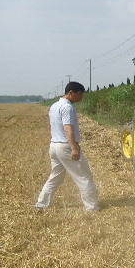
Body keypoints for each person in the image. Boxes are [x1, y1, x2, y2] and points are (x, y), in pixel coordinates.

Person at [35, 81, 99, 212]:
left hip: (54, 146)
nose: (81, 97)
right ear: (71, 93)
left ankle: (41, 203)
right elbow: (67, 128)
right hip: (65, 147)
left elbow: (51, 126)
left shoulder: (54, 106)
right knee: (84, 177)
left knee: (55, 177)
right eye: (79, 94)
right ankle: (91, 208)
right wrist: (74, 148)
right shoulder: (67, 107)